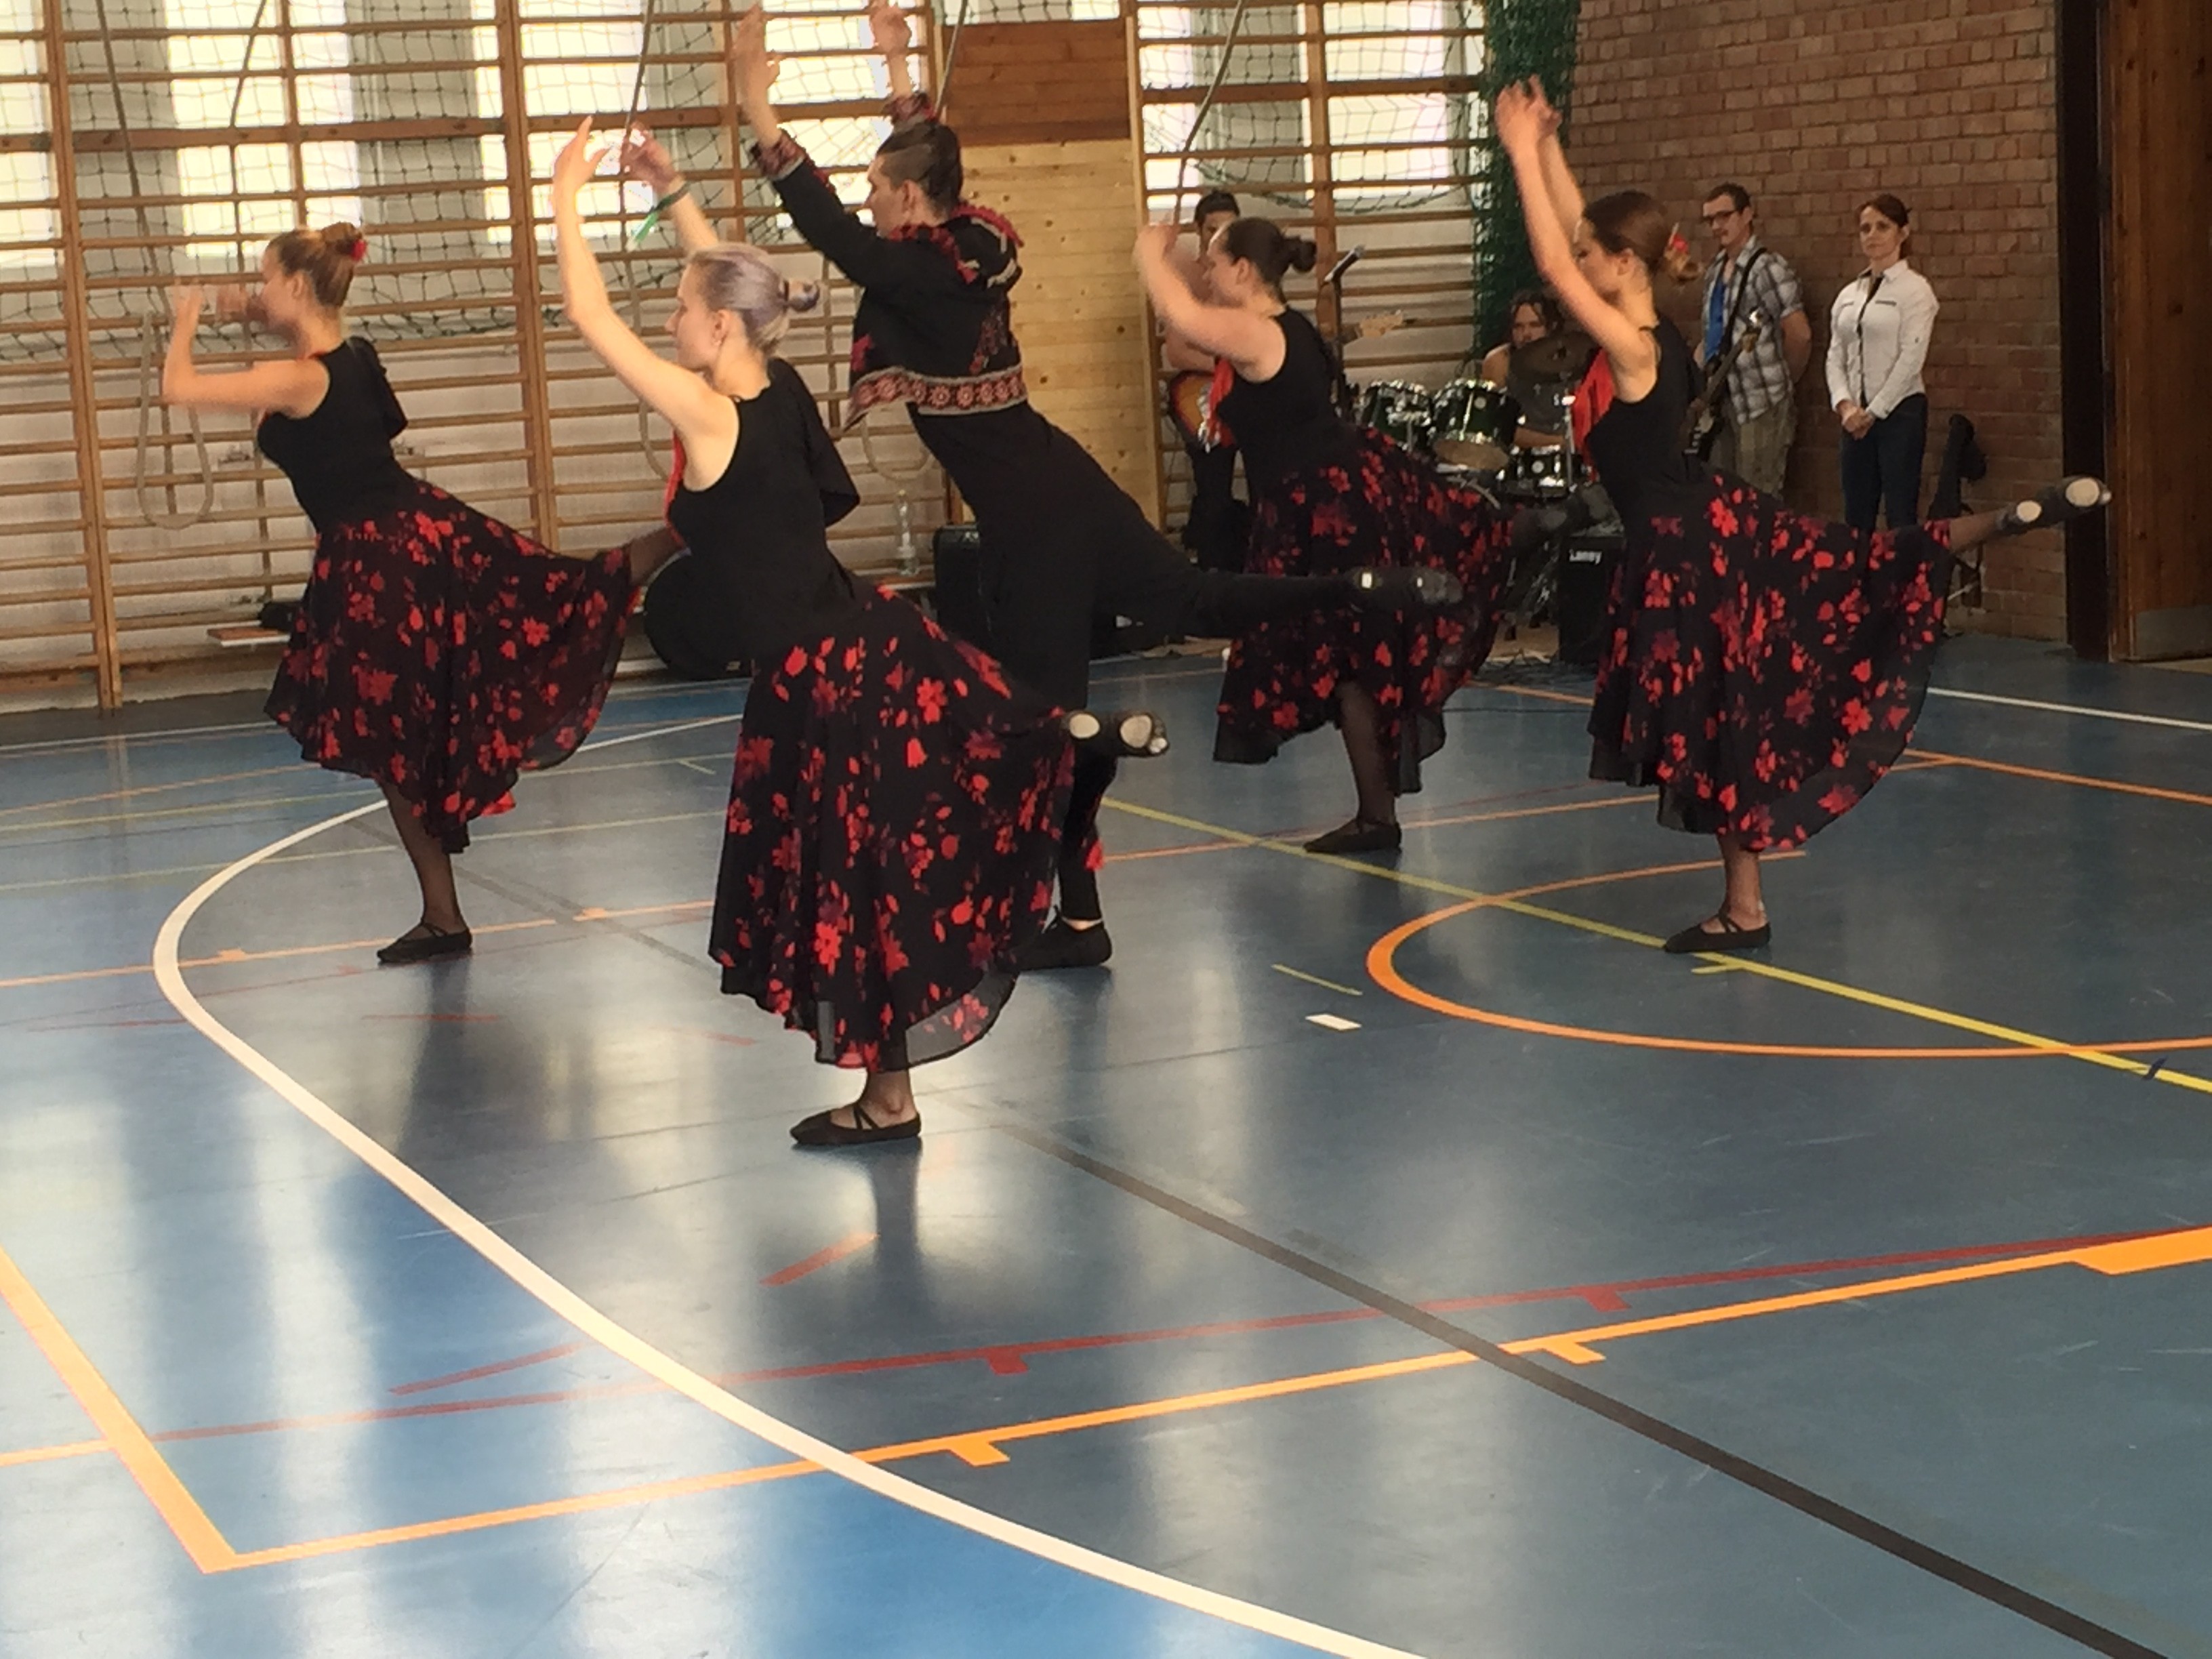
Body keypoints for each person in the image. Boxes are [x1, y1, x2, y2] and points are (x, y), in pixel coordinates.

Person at [677, 2, 1457, 972]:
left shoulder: (919, 272)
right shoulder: (968, 241)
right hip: (1070, 481)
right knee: (1196, 599)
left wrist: (758, 109)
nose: (868, 198)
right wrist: (898, 65)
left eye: (878, 187)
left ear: (907, 201)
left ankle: (1077, 915)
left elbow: (832, 225)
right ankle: (1360, 587)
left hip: (1033, 529)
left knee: (1046, 729)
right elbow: (930, 160)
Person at [550, 119, 1160, 1147]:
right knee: (884, 864)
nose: (671, 319)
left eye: (683, 310)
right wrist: (668, 190)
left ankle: (889, 1100)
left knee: (860, 888)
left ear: (721, 329)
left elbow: (588, 313)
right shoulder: (774, 383)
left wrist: (567, 192)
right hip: (869, 635)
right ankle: (1062, 731)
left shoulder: (708, 415)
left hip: (817, 682)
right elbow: (732, 280)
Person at [1494, 79, 2108, 954]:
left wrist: (1521, 152)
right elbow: (1582, 231)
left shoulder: (1632, 348)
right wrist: (1550, 145)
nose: (1580, 262)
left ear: (1622, 265)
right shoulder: (1654, 331)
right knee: (1849, 573)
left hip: (1684, 549)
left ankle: (1746, 908)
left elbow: (1560, 265)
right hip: (1712, 519)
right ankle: (1985, 527)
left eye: (1596, 255)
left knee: (1722, 715)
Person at [161, 224, 667, 965]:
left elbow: (179, 387)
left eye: (266, 279)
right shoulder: (355, 358)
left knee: (398, 746)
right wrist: (250, 308)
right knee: (509, 632)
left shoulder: (299, 381)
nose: (257, 290)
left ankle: (443, 915)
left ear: (297, 286)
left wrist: (185, 317)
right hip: (416, 533)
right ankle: (675, 534)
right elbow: (358, 424)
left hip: (381, 564)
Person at [1136, 216, 1513, 853]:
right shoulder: (1285, 327)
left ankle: (1377, 817)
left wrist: (1148, 251)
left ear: (1243, 271)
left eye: (1214, 263)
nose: (1206, 272)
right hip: (1324, 498)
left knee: (1348, 660)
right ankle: (1376, 814)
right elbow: (1181, 331)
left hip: (1322, 512)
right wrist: (1172, 262)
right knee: (1344, 661)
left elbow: (1182, 313)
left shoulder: (1258, 331)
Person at [1827, 194, 1938, 533]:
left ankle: (1901, 570)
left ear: (1902, 233)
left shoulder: (1915, 290)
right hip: (1854, 416)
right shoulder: (1849, 294)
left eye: (1882, 227)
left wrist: (1874, 412)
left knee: (1900, 514)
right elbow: (1835, 355)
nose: (1872, 235)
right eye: (1865, 229)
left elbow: (1911, 359)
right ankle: (1860, 568)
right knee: (1856, 516)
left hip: (1899, 412)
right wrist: (1845, 406)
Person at [1694, 182, 1810, 495]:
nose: (1717, 226)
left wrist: (1784, 380)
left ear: (1747, 215)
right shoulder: (1715, 271)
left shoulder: (1768, 268)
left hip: (1761, 401)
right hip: (1723, 400)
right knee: (1723, 494)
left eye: (1725, 216)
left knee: (1760, 495)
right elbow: (1711, 334)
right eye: (1710, 219)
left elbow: (1799, 334)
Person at [1161, 188, 1248, 571]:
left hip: (1244, 393)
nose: (1220, 237)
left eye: (1229, 229)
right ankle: (1215, 575)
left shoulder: (1247, 278)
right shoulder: (1190, 280)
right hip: (1203, 394)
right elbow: (1177, 352)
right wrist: (1227, 368)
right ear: (1199, 232)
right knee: (1214, 488)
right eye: (1212, 229)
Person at [1478, 289, 1571, 449]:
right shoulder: (1499, 362)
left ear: (1552, 327)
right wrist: (1560, 442)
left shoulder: (1572, 359)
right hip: (1516, 456)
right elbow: (1495, 426)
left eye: (1535, 325)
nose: (1526, 334)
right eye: (1518, 327)